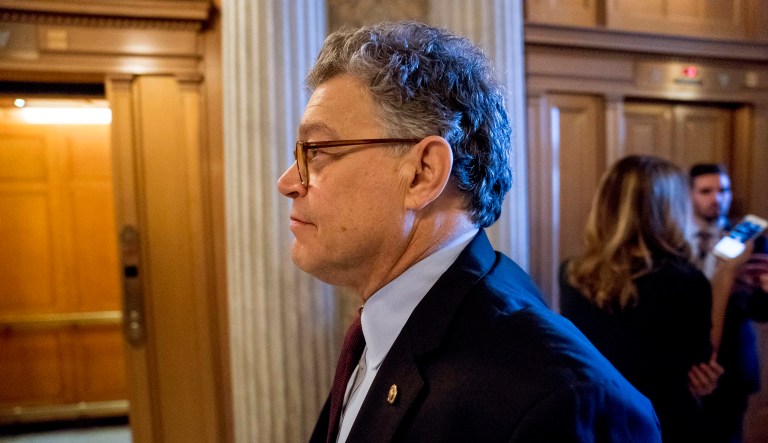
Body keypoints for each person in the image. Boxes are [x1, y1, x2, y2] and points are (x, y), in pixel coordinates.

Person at [277, 21, 660, 443]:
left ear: (423, 174)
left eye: (317, 151)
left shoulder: (560, 397)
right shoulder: (380, 323)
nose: (288, 181)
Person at [559, 155, 715, 442]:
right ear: (669, 209)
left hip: (596, 420)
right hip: (663, 422)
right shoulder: (688, 282)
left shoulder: (572, 273)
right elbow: (701, 366)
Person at [690, 163, 768, 443]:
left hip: (733, 362)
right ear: (689, 195)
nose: (717, 199)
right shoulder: (673, 238)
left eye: (723, 190)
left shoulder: (752, 241)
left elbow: (762, 312)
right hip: (686, 361)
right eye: (706, 191)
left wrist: (758, 290)